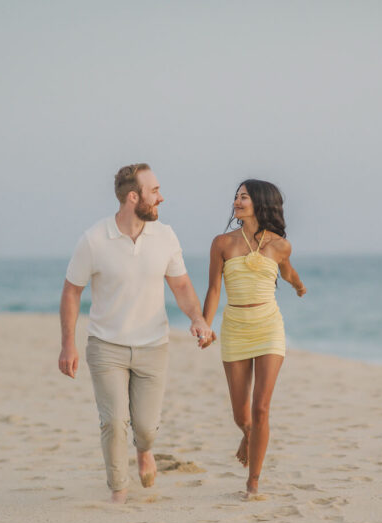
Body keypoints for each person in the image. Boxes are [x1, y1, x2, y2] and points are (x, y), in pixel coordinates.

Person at [59, 163, 213, 503]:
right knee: (114, 421)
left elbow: (182, 284)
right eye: (154, 191)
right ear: (133, 197)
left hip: (153, 346)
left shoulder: (166, 236)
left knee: (144, 426)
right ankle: (119, 492)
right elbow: (72, 291)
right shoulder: (94, 239)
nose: (161, 197)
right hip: (106, 345)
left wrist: (197, 318)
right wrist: (68, 344)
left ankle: (145, 450)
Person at [202, 179, 306, 496]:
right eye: (236, 196)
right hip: (235, 326)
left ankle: (253, 482)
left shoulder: (280, 245)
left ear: (259, 202)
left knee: (261, 408)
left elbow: (286, 270)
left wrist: (298, 286)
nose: (237, 201)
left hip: (269, 326)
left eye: (243, 197)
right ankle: (249, 434)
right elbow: (214, 289)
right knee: (241, 414)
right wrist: (206, 326)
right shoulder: (222, 243)